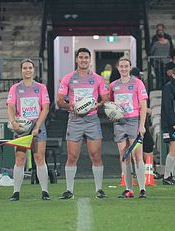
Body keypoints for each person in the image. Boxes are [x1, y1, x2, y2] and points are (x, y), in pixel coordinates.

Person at [57, 48, 109, 199]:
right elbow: (59, 100)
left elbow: (105, 98)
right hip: (75, 120)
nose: (83, 60)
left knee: (96, 155)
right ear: (76, 59)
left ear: (89, 59)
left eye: (86, 57)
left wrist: (97, 106)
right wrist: (69, 106)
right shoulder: (68, 78)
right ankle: (69, 190)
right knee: (72, 156)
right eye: (81, 57)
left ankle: (99, 189)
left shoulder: (98, 79)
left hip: (92, 120)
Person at [7, 59, 50, 201]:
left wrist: (37, 126)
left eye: (30, 68)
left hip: (38, 127)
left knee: (39, 158)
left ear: (34, 70)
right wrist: (13, 122)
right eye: (25, 68)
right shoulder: (15, 88)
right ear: (21, 70)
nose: (27, 70)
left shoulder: (41, 87)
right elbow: (11, 106)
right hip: (21, 128)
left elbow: (46, 108)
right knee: (20, 159)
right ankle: (16, 192)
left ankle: (45, 191)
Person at [108, 57, 148, 198]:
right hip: (119, 123)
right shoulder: (113, 85)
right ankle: (128, 189)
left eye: (126, 66)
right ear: (118, 68)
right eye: (121, 66)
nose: (124, 69)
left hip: (133, 121)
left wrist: (141, 125)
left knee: (137, 155)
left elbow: (143, 105)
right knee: (124, 156)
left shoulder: (138, 83)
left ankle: (142, 189)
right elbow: (110, 105)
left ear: (130, 68)